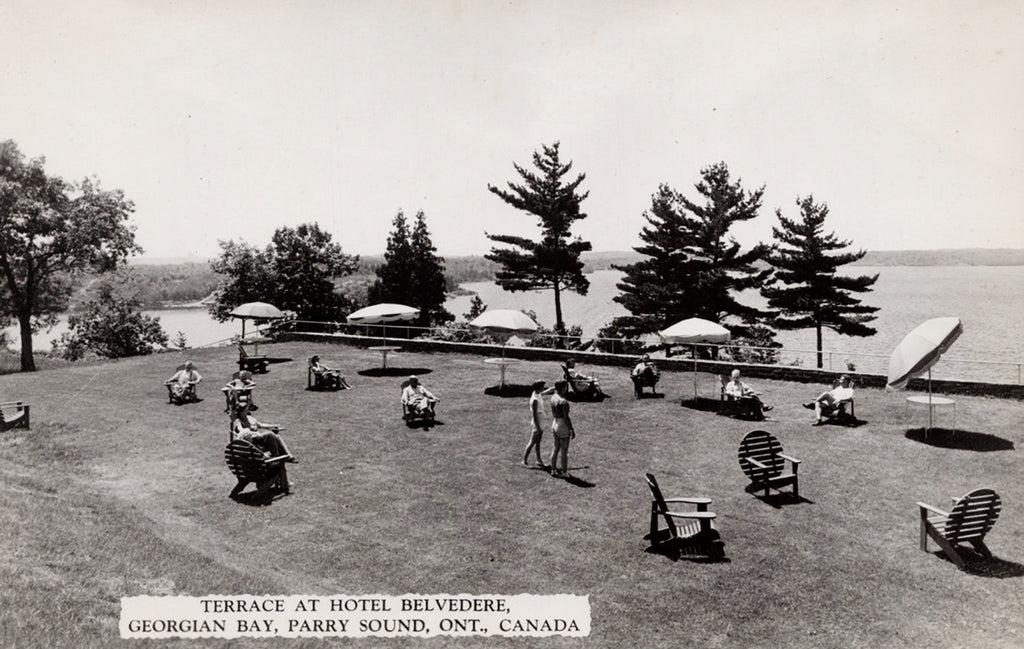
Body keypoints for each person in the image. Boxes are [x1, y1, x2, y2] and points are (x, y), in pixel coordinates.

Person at [230, 404, 296, 463]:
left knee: (276, 436)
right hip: (253, 442)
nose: (247, 410)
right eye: (246, 409)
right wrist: (252, 433)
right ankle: (276, 457)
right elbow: (241, 431)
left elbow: (260, 425)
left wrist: (272, 426)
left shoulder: (250, 418)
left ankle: (288, 456)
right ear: (241, 412)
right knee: (269, 435)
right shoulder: (238, 421)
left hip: (259, 440)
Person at [523, 381, 555, 467]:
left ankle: (539, 460)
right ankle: (524, 461)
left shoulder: (537, 394)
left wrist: (551, 389)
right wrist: (538, 427)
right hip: (538, 422)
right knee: (532, 442)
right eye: (543, 387)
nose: (543, 388)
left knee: (538, 442)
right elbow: (534, 414)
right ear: (539, 388)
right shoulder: (535, 400)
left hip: (541, 421)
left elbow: (543, 393)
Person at [548, 380, 576, 477]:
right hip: (562, 425)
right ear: (562, 388)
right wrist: (571, 428)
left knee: (555, 448)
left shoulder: (553, 398)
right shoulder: (563, 402)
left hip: (555, 423)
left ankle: (553, 470)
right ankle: (564, 472)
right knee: (564, 451)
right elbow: (566, 417)